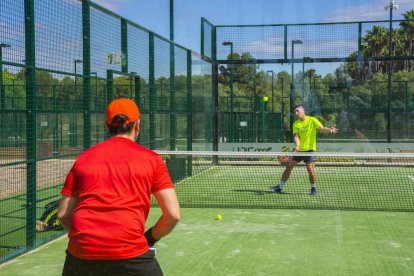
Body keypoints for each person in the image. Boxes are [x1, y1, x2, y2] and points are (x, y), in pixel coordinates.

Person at [57, 98, 180, 276]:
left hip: (81, 253)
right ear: (137, 125)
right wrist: (150, 238)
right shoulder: (152, 160)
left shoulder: (83, 159)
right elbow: (173, 215)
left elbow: (63, 214)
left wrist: (86, 240)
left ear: (107, 126)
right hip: (130, 253)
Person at [271, 104, 338, 195]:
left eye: (297, 111)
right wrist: (297, 145)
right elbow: (296, 136)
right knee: (288, 168)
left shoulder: (312, 120)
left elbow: (321, 128)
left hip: (310, 151)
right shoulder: (296, 124)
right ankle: (280, 186)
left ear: (303, 111)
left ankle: (313, 188)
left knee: (310, 170)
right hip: (299, 151)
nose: (296, 113)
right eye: (295, 111)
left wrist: (329, 129)